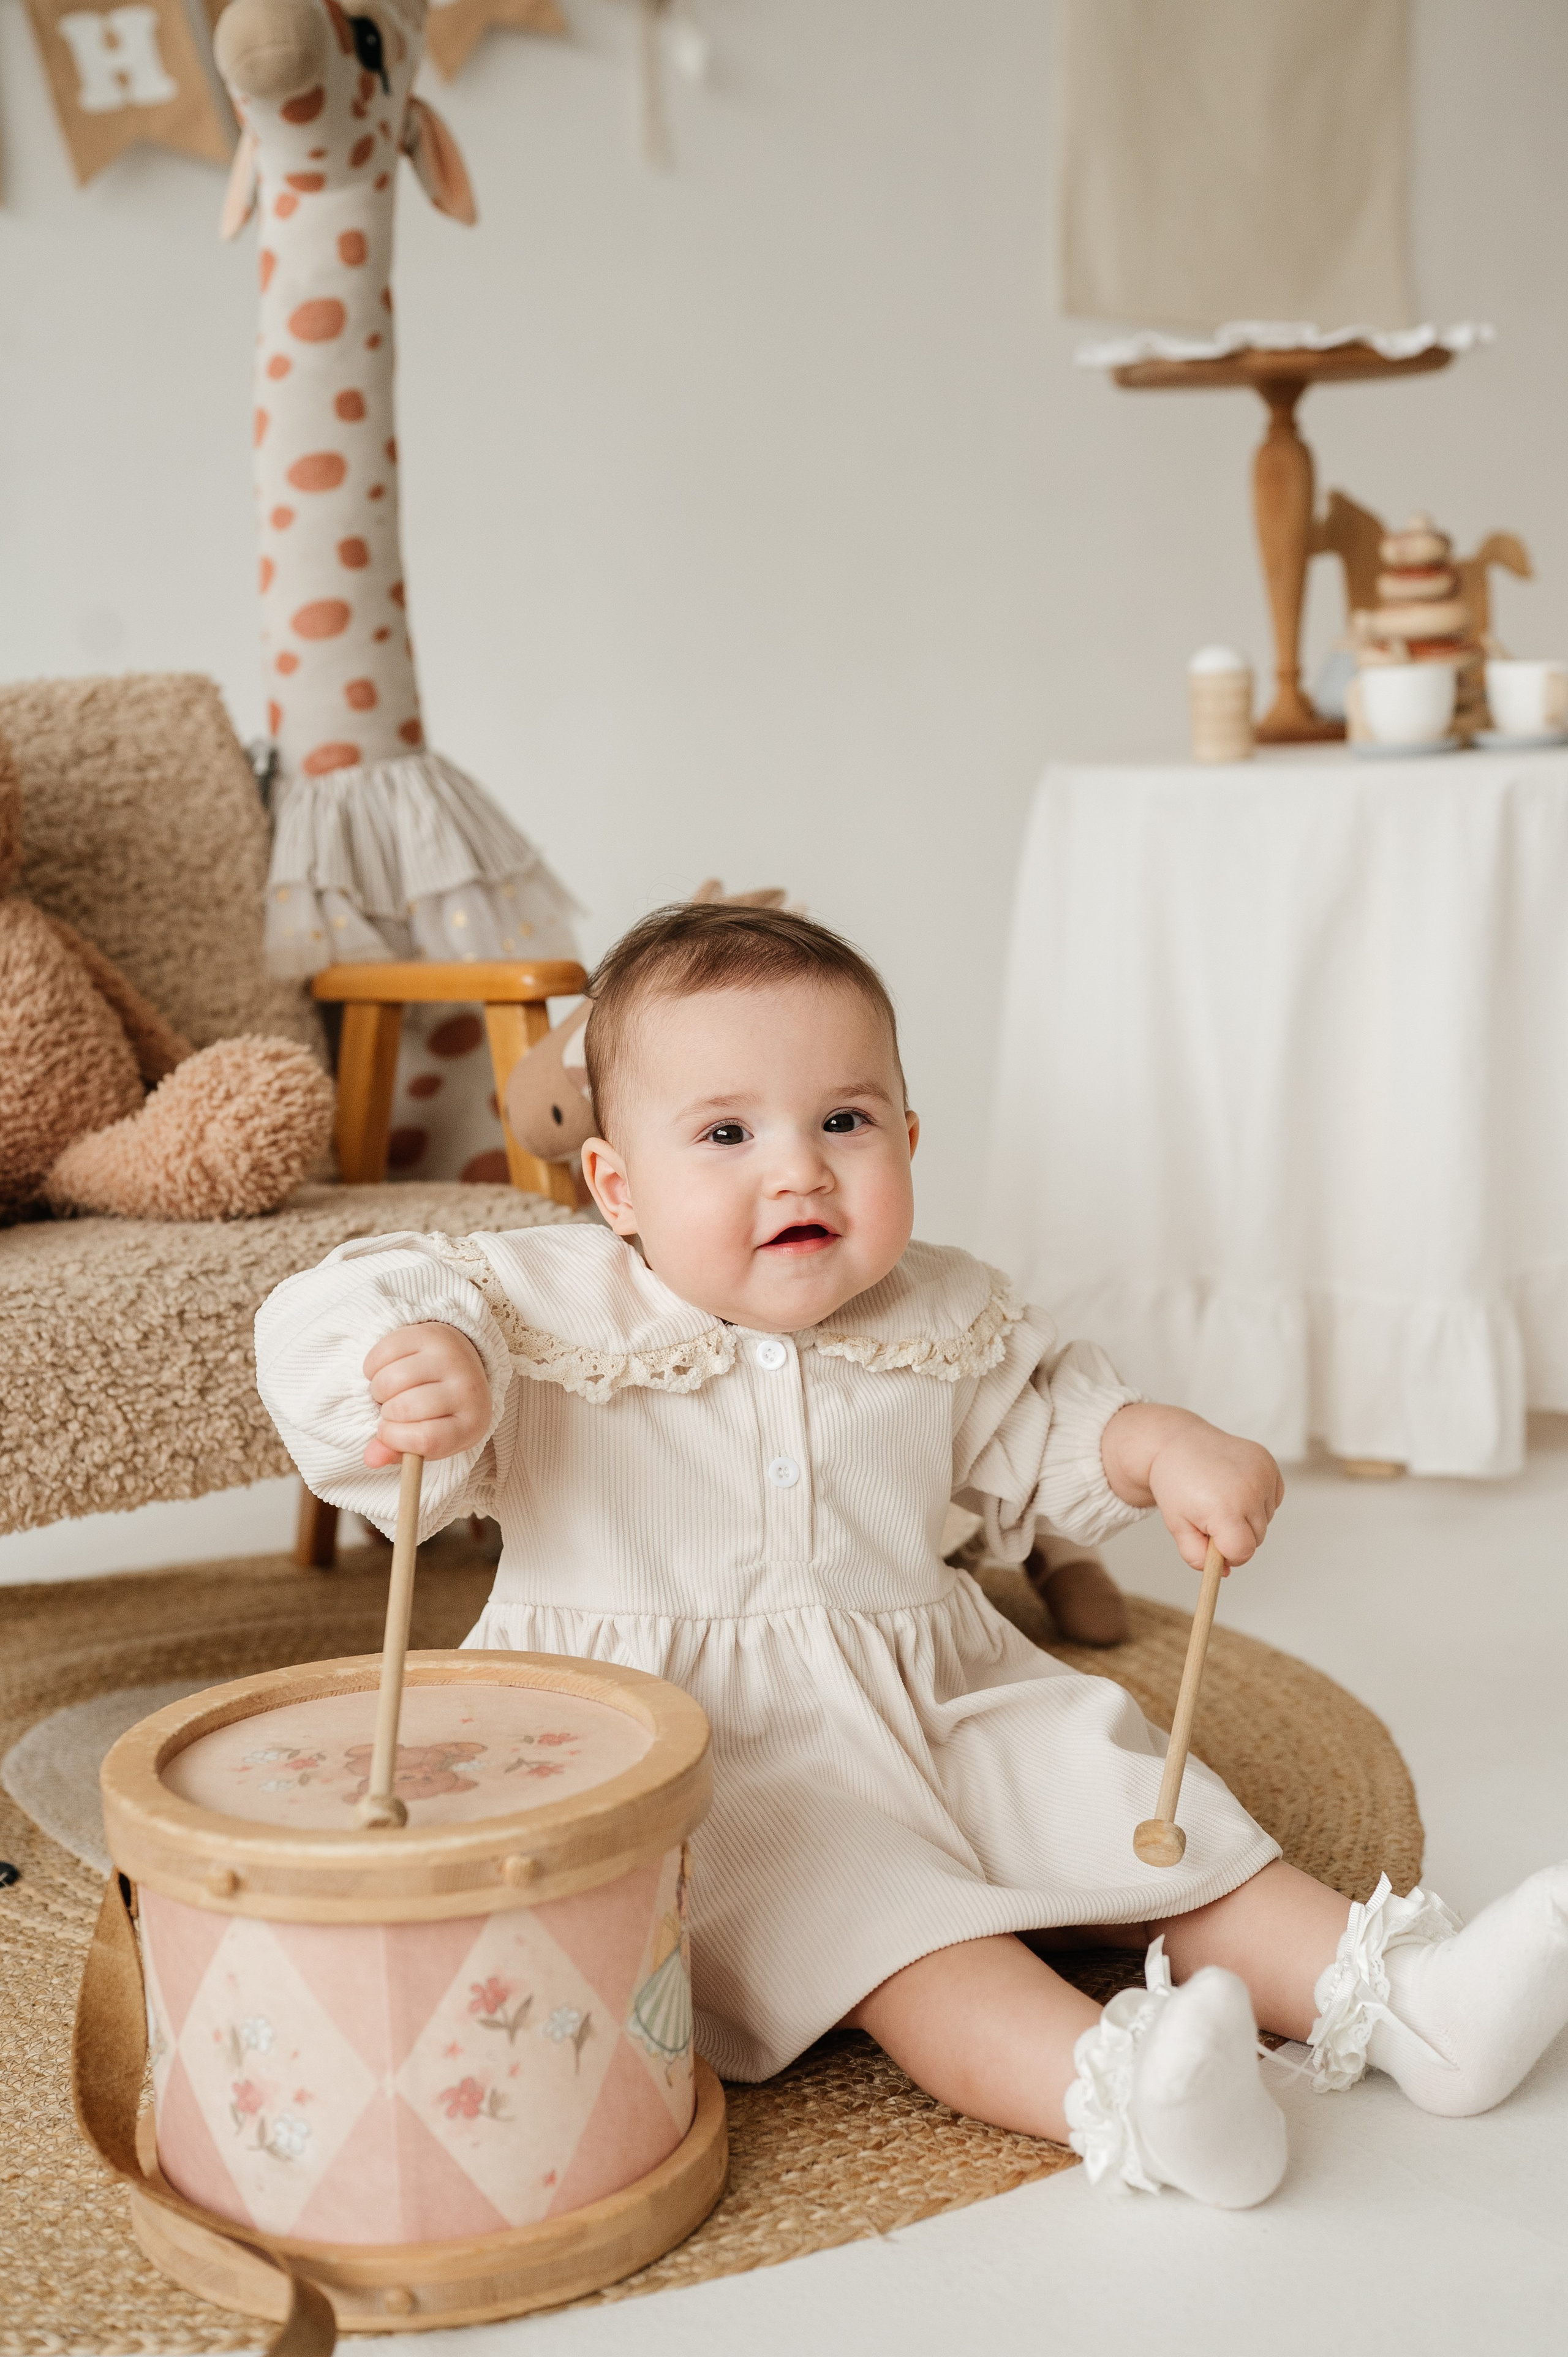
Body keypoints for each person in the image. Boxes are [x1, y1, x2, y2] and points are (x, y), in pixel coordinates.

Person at [256, 905, 1568, 2207]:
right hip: (692, 1744)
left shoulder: (936, 1309)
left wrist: (1159, 1446)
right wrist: (423, 1364)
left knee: (1116, 1795)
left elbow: (1039, 1425)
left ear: (908, 1139)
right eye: (726, 1134)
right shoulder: (545, 1310)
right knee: (881, 1914)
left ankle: (1408, 1998)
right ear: (617, 1188)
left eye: (844, 1120)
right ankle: (1129, 2091)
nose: (799, 1171)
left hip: (936, 1690)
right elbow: (353, 1304)